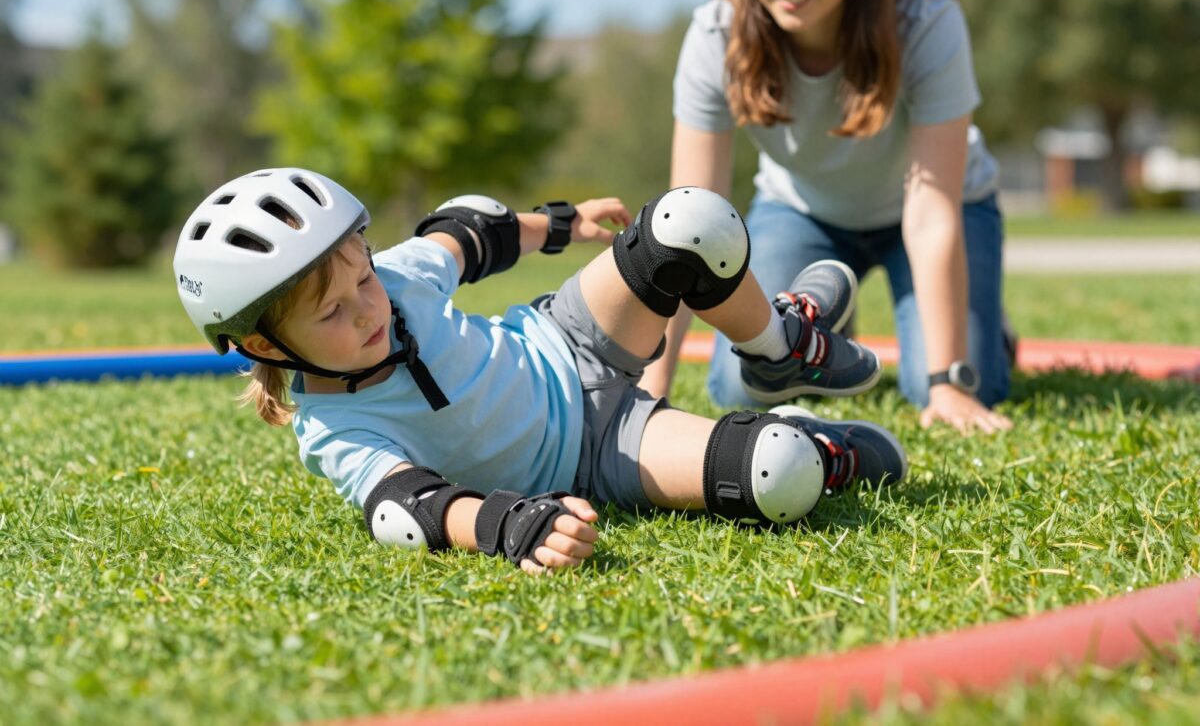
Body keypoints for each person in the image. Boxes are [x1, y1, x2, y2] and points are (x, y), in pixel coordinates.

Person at [173, 167, 907, 575]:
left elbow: (471, 233)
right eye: (330, 314)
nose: (366, 310)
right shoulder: (336, 427)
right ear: (267, 348)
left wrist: (564, 225)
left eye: (360, 279)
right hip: (600, 451)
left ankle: (781, 349)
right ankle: (815, 443)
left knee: (690, 221)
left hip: (567, 335)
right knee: (779, 472)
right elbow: (406, 510)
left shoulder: (396, 278)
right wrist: (508, 525)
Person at [640, 0, 1013, 435]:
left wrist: (947, 383)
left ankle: (984, 326)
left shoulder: (928, 22)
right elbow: (687, 224)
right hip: (802, 214)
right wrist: (649, 387)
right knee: (742, 384)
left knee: (952, 385)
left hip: (934, 210)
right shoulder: (716, 34)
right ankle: (833, 328)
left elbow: (931, 211)